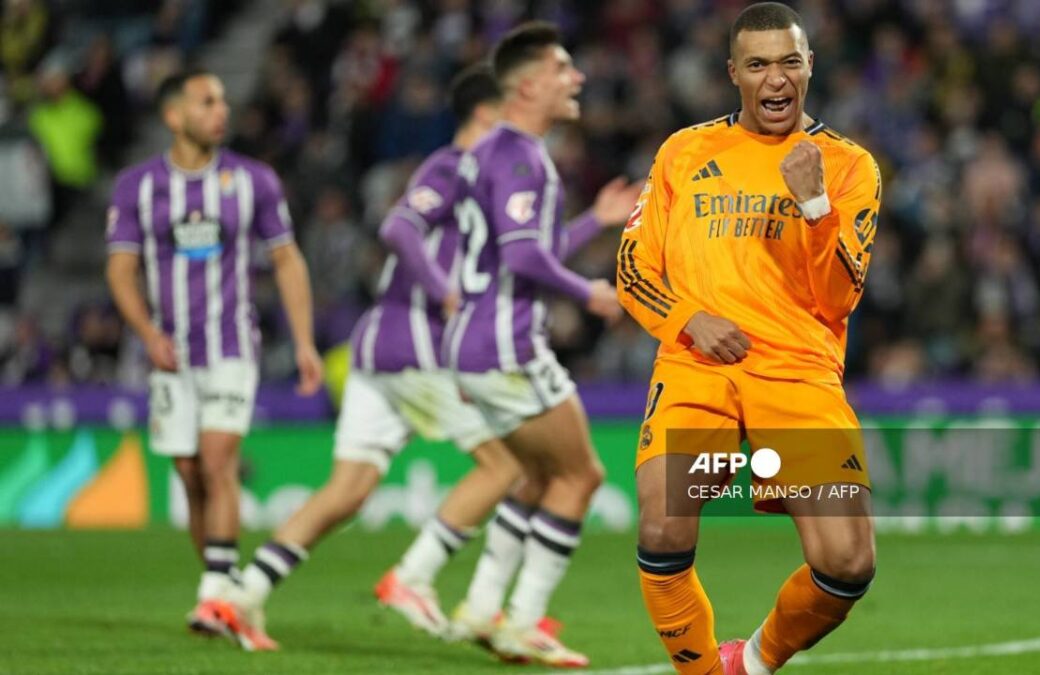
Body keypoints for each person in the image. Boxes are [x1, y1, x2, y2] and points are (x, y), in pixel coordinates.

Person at [617, 4, 880, 674]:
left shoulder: (848, 166)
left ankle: (753, 661)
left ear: (810, 67)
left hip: (796, 373)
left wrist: (815, 207)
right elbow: (632, 268)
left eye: (789, 61)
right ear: (733, 72)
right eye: (759, 64)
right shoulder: (684, 151)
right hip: (698, 364)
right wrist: (687, 319)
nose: (776, 78)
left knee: (847, 563)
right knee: (662, 523)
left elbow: (840, 296)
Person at [228, 64, 523, 651]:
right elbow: (399, 226)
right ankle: (415, 577)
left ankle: (244, 594)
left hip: (375, 346)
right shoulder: (454, 166)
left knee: (350, 490)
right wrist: (442, 288)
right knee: (509, 466)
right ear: (487, 113)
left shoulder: (477, 176)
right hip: (415, 347)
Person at [441, 21, 638, 667]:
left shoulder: (491, 153)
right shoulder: (524, 156)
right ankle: (522, 621)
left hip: (471, 342)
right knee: (581, 475)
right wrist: (590, 293)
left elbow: (514, 251)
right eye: (562, 68)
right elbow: (525, 257)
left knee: (534, 476)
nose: (576, 77)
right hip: (506, 345)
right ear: (527, 86)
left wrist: (592, 221)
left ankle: (481, 605)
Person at [104, 68, 323, 639]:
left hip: (232, 345)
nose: (221, 111)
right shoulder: (137, 187)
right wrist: (148, 333)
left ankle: (212, 594)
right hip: (170, 353)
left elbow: (286, 259)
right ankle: (226, 594)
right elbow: (121, 271)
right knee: (189, 473)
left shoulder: (255, 181)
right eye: (207, 102)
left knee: (218, 458)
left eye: (223, 100)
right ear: (174, 117)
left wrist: (303, 341)